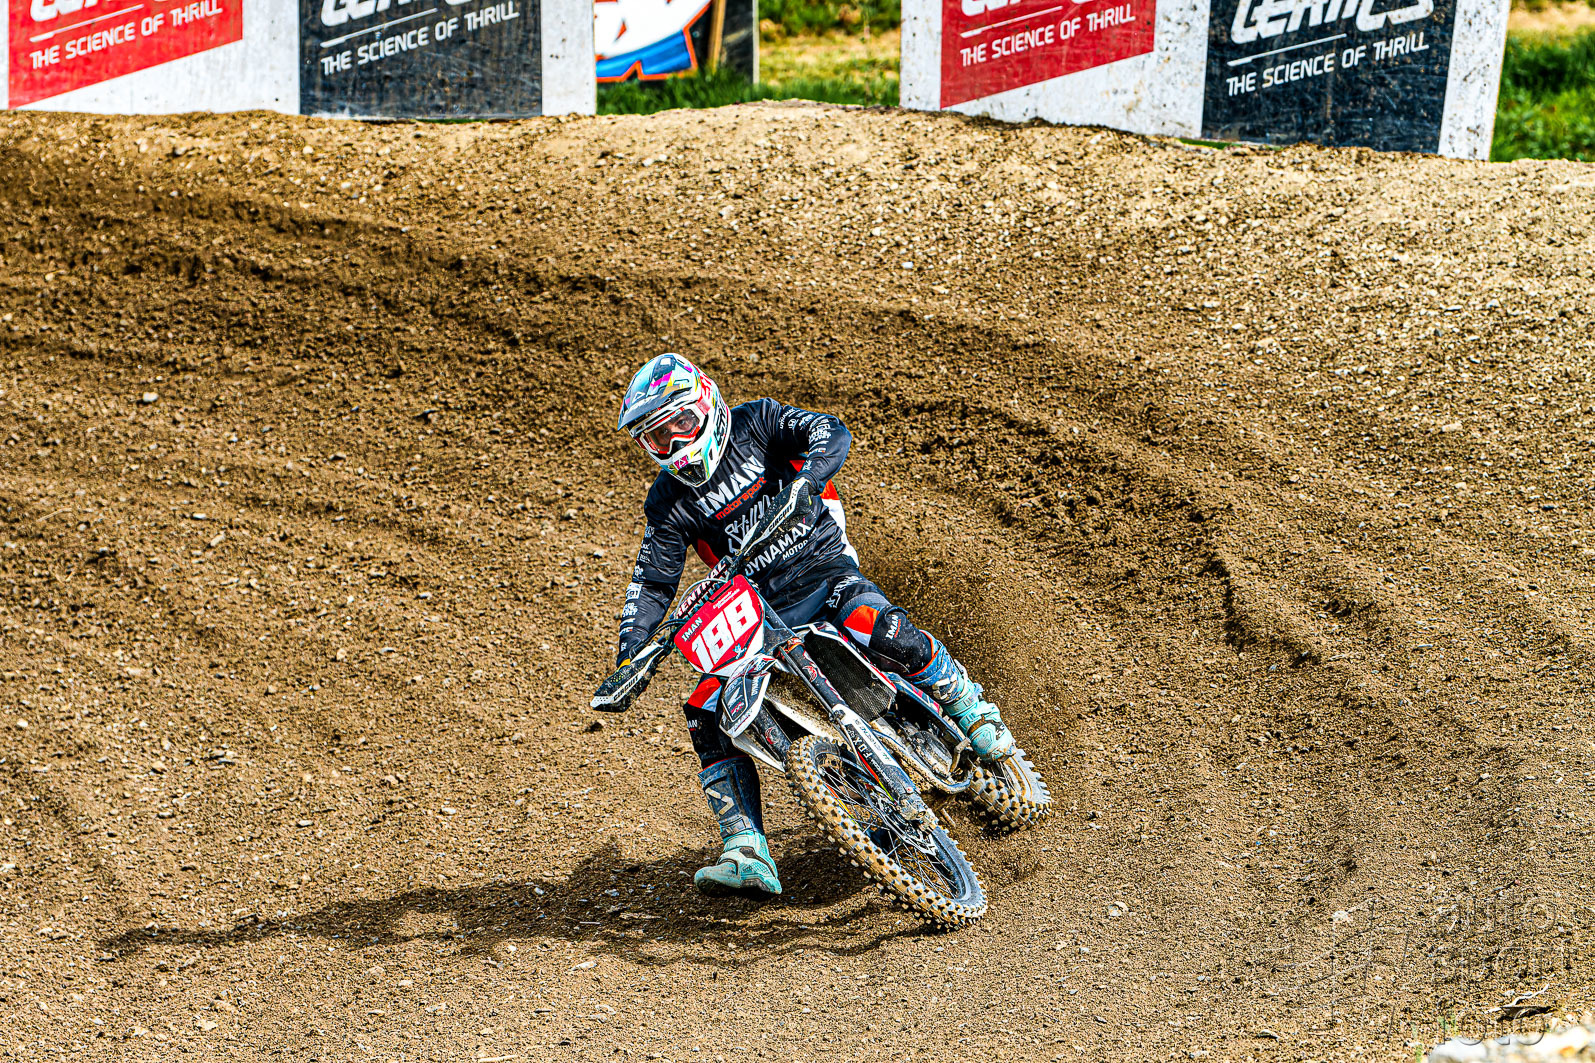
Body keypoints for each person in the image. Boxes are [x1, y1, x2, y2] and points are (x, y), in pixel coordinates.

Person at [608, 353, 1014, 896]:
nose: (674, 442)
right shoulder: (667, 500)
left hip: (823, 571)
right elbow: (653, 581)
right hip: (758, 610)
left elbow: (830, 431)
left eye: (680, 422)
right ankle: (745, 847)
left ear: (705, 403)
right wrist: (631, 653)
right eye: (658, 437)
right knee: (706, 708)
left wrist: (806, 481)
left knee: (873, 624)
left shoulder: (756, 423)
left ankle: (966, 704)